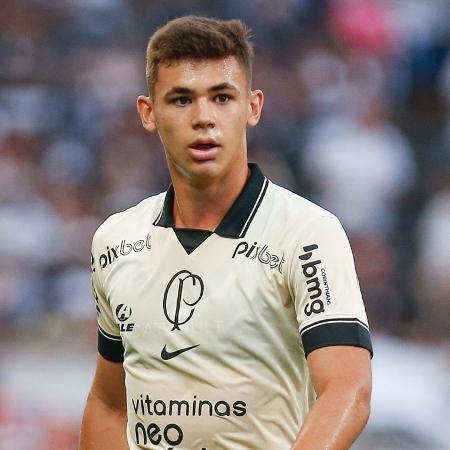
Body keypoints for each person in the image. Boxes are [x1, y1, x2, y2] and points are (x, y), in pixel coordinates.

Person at [79, 16, 372, 450]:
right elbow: (108, 404)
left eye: (222, 97)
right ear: (148, 112)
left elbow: (348, 390)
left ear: (252, 107)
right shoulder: (116, 240)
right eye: (181, 99)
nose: (203, 118)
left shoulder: (307, 233)